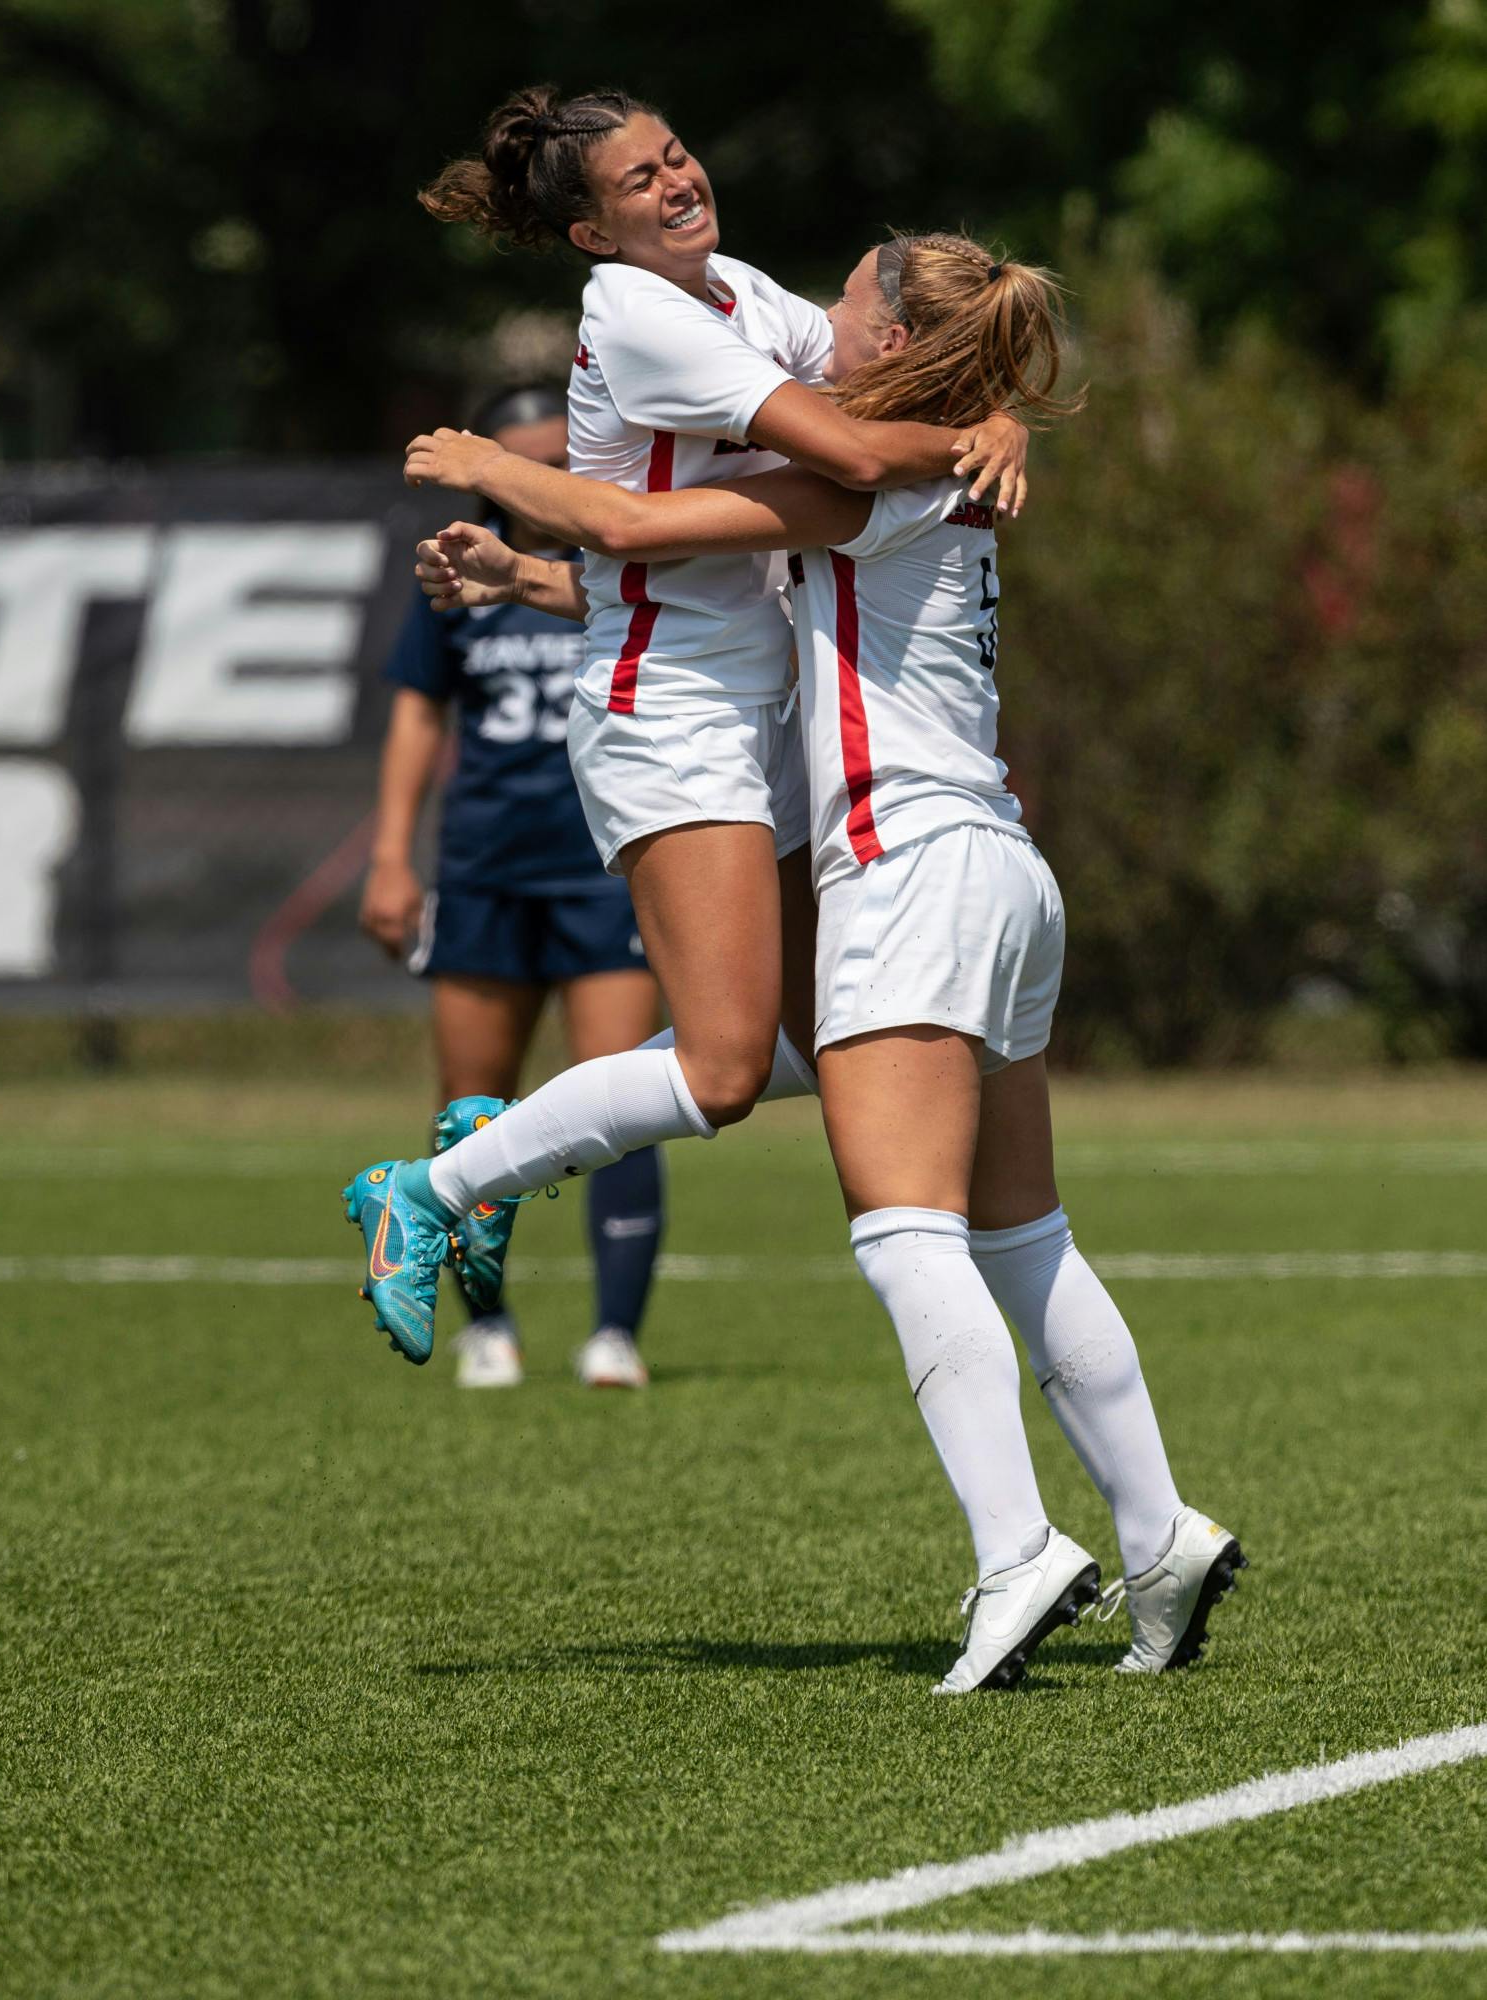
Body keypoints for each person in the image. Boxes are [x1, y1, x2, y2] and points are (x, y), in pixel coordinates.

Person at [404, 231, 1246, 1689]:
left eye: (851, 295)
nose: (821, 312)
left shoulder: (872, 475)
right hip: (1001, 868)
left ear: (890, 341)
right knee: (1023, 1236)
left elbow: (647, 535)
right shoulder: (920, 471)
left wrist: (488, 462)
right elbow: (704, 591)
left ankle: (1016, 1555)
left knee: (902, 1229)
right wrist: (518, 579)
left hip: (911, 869)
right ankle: (1160, 1531)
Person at [342, 83, 1029, 1367]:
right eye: (638, 182)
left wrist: (989, 408)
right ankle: (430, 1194)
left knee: (823, 1033)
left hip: (744, 701)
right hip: (670, 720)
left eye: (675, 155)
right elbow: (855, 454)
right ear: (595, 236)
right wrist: (503, 471)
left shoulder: (739, 291)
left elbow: (882, 381)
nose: (675, 181)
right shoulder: (640, 311)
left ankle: (496, 1146)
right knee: (720, 1073)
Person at [358, 385, 663, 1391]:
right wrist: (393, 854)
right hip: (486, 870)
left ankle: (615, 1332)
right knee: (470, 1107)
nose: (541, 476)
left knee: (622, 1092)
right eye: (520, 455)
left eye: (556, 454)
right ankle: (486, 1324)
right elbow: (417, 714)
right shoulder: (457, 562)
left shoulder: (620, 555)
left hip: (607, 865)